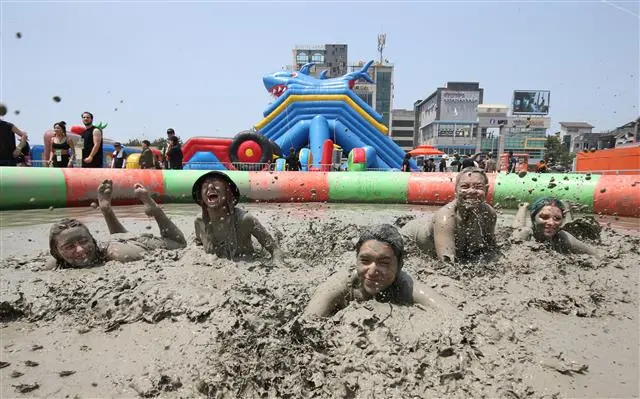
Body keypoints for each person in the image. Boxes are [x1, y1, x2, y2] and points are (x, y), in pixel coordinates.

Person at [302, 224, 455, 319]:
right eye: (365, 261)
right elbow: (308, 321)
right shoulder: (341, 285)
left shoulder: (406, 285)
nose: (373, 270)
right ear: (356, 259)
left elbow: (452, 316)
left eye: (384, 263)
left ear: (401, 264)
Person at [46, 180, 186, 269]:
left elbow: (177, 250)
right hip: (118, 240)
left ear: (93, 241)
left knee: (178, 244)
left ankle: (154, 209)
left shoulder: (121, 255)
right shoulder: (54, 264)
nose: (80, 250)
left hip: (135, 244)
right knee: (120, 237)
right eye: (69, 247)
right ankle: (106, 210)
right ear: (56, 252)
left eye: (84, 241)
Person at [401, 167, 497, 262]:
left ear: (487, 189)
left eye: (478, 187)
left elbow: (490, 247)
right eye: (465, 186)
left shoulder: (489, 214)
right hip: (409, 240)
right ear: (456, 190)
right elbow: (446, 265)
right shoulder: (446, 218)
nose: (471, 191)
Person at [192, 171, 285, 263]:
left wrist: (279, 265)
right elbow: (198, 244)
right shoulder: (199, 221)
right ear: (201, 197)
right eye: (205, 185)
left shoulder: (245, 219)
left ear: (228, 192)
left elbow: (275, 250)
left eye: (216, 182)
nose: (210, 186)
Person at [510, 198, 599, 256]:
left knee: (569, 227)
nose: (551, 222)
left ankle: (567, 207)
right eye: (544, 217)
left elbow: (596, 254)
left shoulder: (564, 238)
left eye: (557, 218)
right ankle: (523, 207)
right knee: (517, 229)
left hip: (564, 230)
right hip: (522, 230)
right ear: (533, 219)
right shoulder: (524, 234)